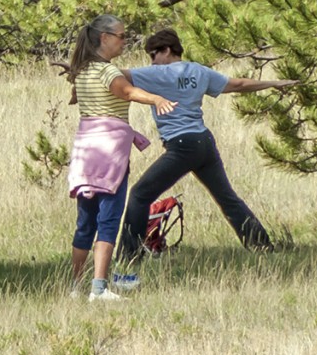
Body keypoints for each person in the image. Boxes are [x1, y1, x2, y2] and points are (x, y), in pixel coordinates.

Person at [117, 29, 299, 259]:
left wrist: (80, 68)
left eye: (153, 55)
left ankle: (128, 257)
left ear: (166, 50)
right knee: (227, 198)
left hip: (182, 145)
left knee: (139, 195)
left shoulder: (158, 74)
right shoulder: (199, 71)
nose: (152, 62)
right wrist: (274, 82)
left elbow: (114, 74)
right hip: (204, 143)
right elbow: (239, 84)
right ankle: (263, 247)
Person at [65, 15, 177, 302]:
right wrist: (156, 99)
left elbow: (80, 96)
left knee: (85, 221)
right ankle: (98, 289)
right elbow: (126, 91)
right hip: (109, 153)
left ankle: (75, 287)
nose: (124, 41)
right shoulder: (106, 71)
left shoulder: (83, 70)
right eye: (121, 36)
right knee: (109, 219)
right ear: (104, 37)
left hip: (85, 152)